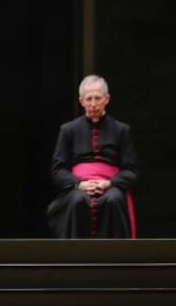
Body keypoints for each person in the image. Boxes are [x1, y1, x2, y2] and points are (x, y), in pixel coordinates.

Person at [47, 75, 138, 238]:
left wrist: (109, 183)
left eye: (98, 98)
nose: (93, 104)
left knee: (113, 199)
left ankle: (113, 259)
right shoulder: (68, 130)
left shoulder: (121, 130)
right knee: (77, 200)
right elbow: (58, 170)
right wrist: (79, 184)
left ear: (107, 99)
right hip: (79, 187)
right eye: (89, 99)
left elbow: (130, 170)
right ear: (81, 101)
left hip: (110, 186)